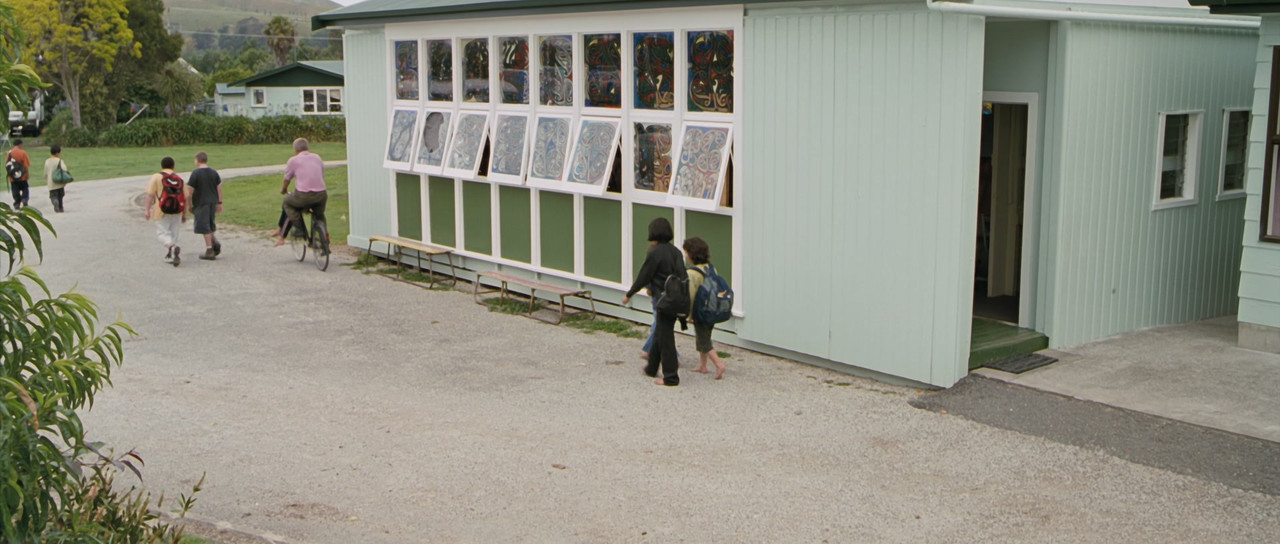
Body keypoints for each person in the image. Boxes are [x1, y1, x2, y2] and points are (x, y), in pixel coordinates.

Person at [623, 217, 686, 387]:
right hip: (675, 299)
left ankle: (671, 377)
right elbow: (683, 277)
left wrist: (630, 293)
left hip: (662, 299)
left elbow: (645, 275)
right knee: (660, 332)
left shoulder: (655, 253)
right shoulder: (676, 252)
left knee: (666, 337)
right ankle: (651, 368)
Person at [683, 237, 726, 380]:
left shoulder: (692, 273)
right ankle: (703, 365)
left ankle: (719, 364)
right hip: (712, 309)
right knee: (704, 336)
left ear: (690, 254)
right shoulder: (711, 268)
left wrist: (687, 315)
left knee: (704, 341)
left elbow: (690, 295)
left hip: (700, 311)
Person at [274, 138, 326, 247]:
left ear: (295, 149)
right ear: (307, 147)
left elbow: (287, 179)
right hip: (321, 194)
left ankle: (299, 229)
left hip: (304, 195)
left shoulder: (293, 160)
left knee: (287, 202)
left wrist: (283, 190)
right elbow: (321, 173)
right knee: (319, 215)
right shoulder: (317, 157)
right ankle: (325, 238)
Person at [145, 157, 187, 266]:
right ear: (173, 166)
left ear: (162, 166)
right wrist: (184, 213)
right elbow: (185, 197)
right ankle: (172, 255)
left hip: (161, 210)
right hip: (177, 210)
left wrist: (147, 210)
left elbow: (150, 195)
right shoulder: (179, 178)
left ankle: (172, 248)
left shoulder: (157, 177)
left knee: (162, 233)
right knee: (174, 233)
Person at [186, 152, 223, 260]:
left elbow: (190, 191)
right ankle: (214, 242)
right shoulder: (214, 172)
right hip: (213, 202)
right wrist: (220, 203)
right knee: (210, 224)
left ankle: (209, 249)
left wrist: (189, 205)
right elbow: (219, 189)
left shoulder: (196, 173)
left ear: (197, 160)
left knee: (204, 226)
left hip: (201, 202)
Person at [6, 139, 30, 209]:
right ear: (20, 144)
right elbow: (26, 165)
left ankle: (17, 203)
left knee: (15, 190)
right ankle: (24, 199)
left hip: (13, 176)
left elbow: (7, 164)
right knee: (25, 188)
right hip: (22, 175)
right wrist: (27, 174)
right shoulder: (23, 153)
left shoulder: (9, 153)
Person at [44, 145, 69, 213]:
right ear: (57, 153)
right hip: (59, 182)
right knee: (60, 196)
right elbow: (64, 169)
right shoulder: (59, 161)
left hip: (51, 182)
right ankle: (60, 207)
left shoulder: (47, 161)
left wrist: (46, 178)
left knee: (53, 196)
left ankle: (55, 202)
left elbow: (46, 172)